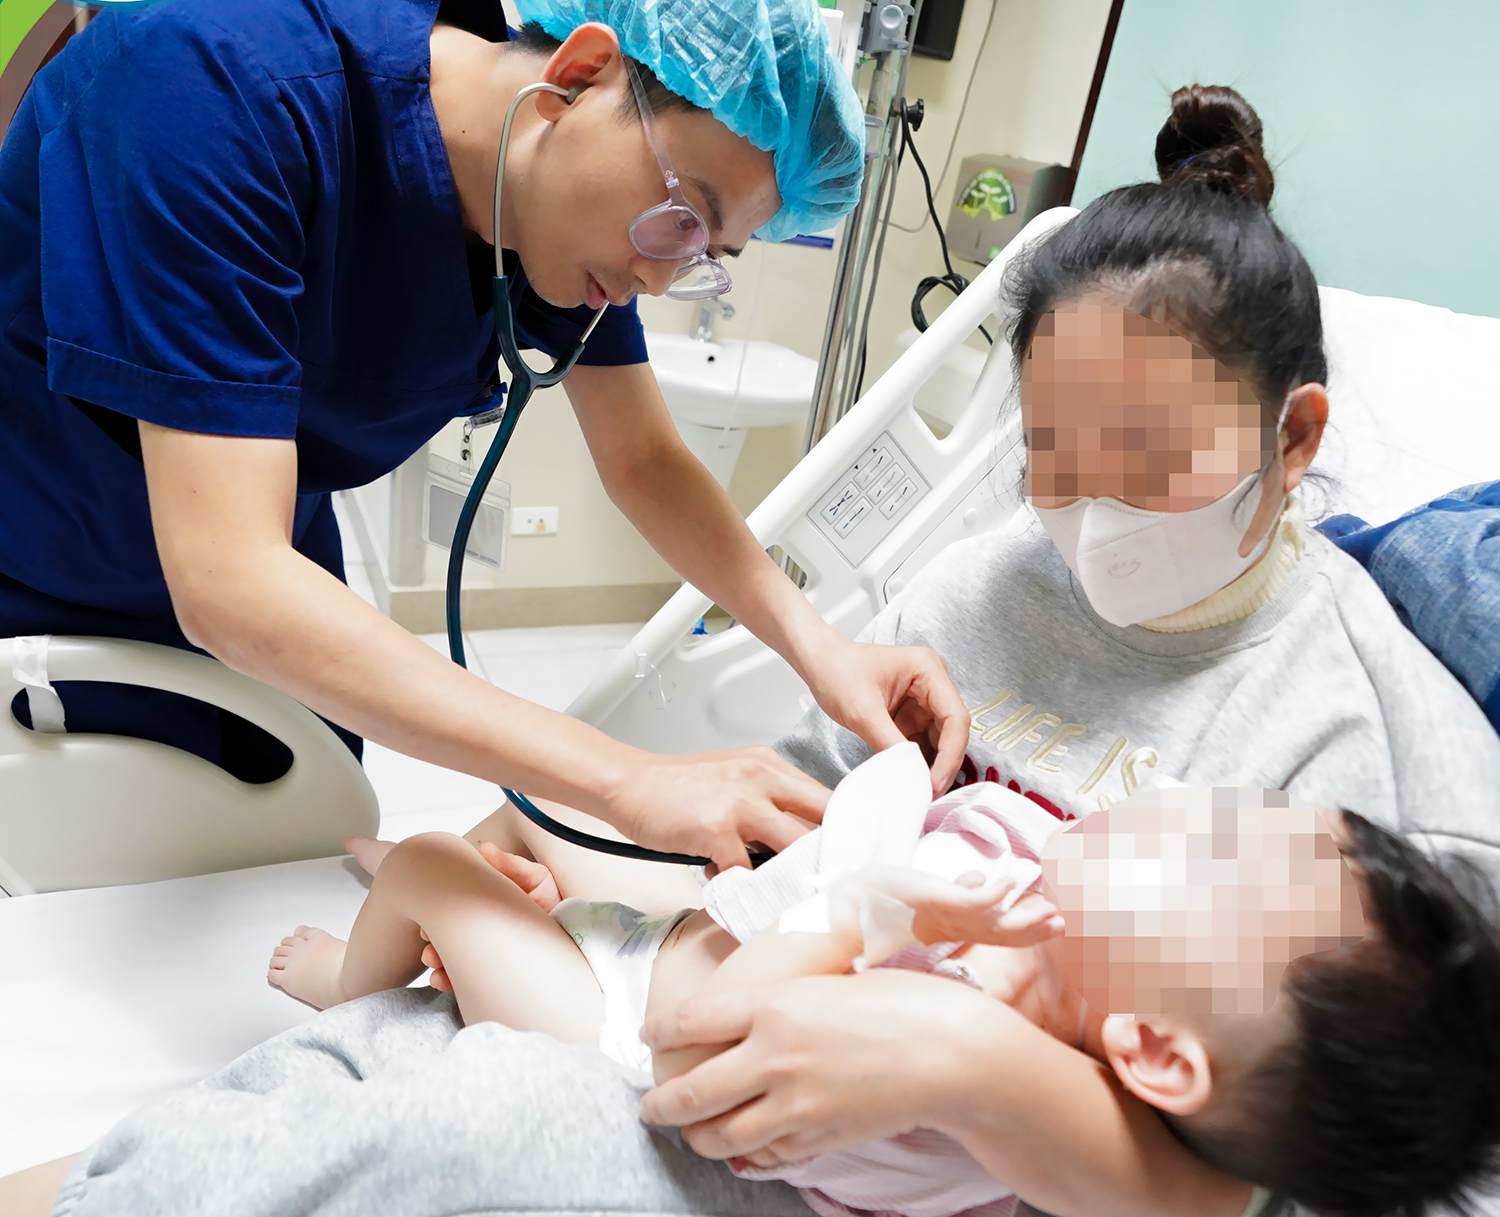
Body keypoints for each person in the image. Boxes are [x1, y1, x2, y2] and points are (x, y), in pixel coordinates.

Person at [10, 81, 1500, 1217]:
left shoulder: (1327, 754)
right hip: (696, 1004)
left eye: (1145, 457)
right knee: (358, 1054)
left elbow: (1273, 1149)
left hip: (817, 1151)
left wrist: (965, 1068)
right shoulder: (993, 585)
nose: (1086, 509)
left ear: (1293, 435)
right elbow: (788, 828)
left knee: (440, 1127)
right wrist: (584, 852)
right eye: (1054, 454)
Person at [0, 0, 972, 877]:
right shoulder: (213, 85)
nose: (665, 279)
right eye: (682, 219)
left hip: (277, 585)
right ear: (583, 75)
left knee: (282, 848)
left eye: (706, 254)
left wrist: (823, 650)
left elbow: (643, 458)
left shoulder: (548, 226)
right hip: (45, 555)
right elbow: (228, 582)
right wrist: (624, 778)